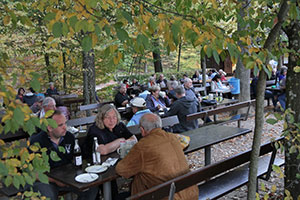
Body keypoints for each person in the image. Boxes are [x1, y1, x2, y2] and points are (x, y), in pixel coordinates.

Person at [116, 113, 199, 200]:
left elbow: (121, 170)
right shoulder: (173, 137)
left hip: (170, 197)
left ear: (142, 130)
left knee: (139, 177)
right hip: (191, 193)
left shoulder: (143, 146)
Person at [30, 110, 98, 200]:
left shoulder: (69, 137)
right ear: (49, 128)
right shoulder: (37, 142)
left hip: (67, 176)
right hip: (46, 179)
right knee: (47, 196)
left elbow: (76, 159)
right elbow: (33, 173)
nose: (65, 127)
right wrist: (55, 180)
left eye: (65, 123)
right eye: (60, 125)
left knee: (91, 187)